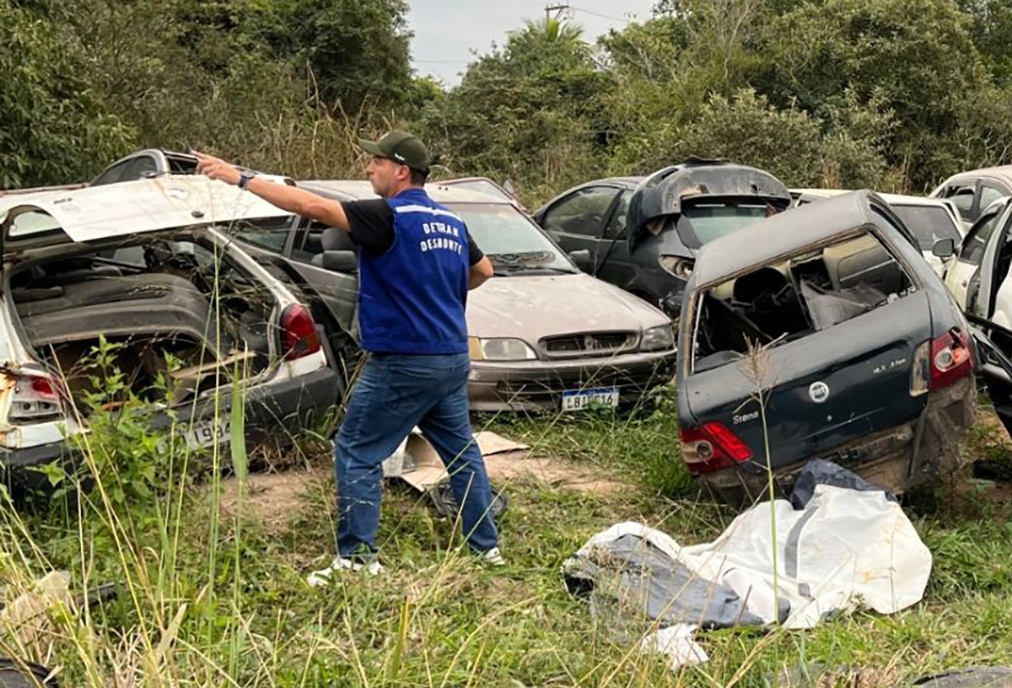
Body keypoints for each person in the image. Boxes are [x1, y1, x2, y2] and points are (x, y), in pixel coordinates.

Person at [194, 131, 502, 581]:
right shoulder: (450, 223)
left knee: (356, 450)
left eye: (375, 162)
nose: (367, 169)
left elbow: (310, 207)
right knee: (460, 451)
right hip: (450, 356)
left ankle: (357, 561)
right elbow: (484, 270)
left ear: (401, 170)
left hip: (403, 360)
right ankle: (486, 548)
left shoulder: (387, 216)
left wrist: (238, 177)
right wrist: (435, 291)